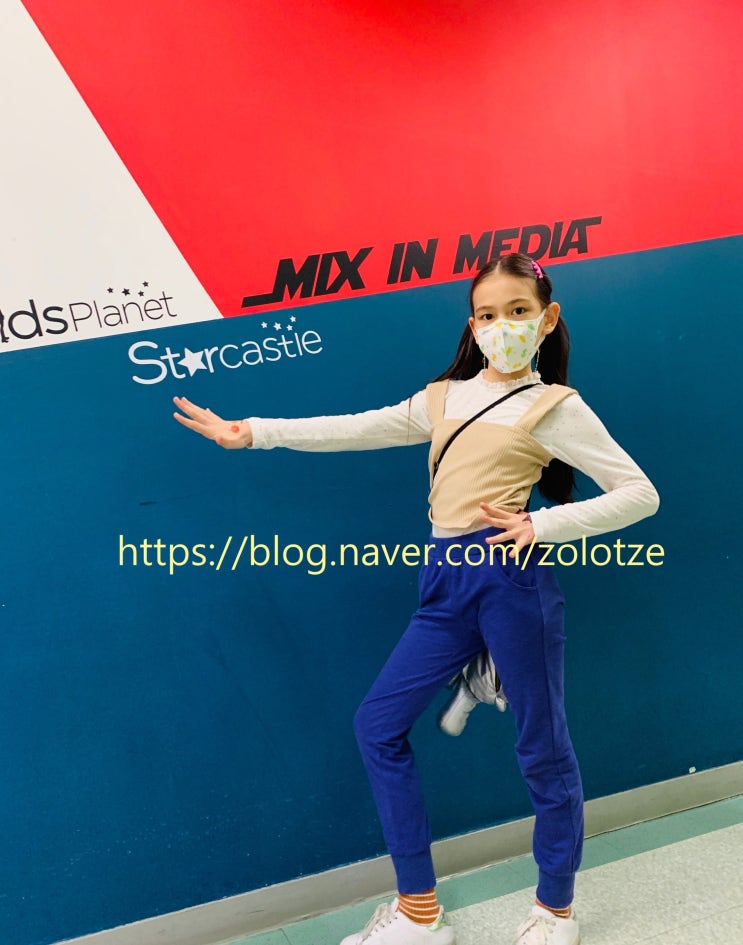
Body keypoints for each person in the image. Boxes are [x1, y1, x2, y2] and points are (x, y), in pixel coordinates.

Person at [173, 253, 660, 945]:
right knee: (377, 725)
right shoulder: (443, 397)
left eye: (518, 311)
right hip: (442, 580)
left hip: (509, 580)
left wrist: (542, 524)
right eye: (487, 314)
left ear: (546, 318)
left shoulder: (555, 406)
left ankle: (554, 910)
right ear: (473, 324)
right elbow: (356, 427)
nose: (502, 325)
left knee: (543, 749)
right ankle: (420, 912)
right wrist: (253, 431)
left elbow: (639, 493)